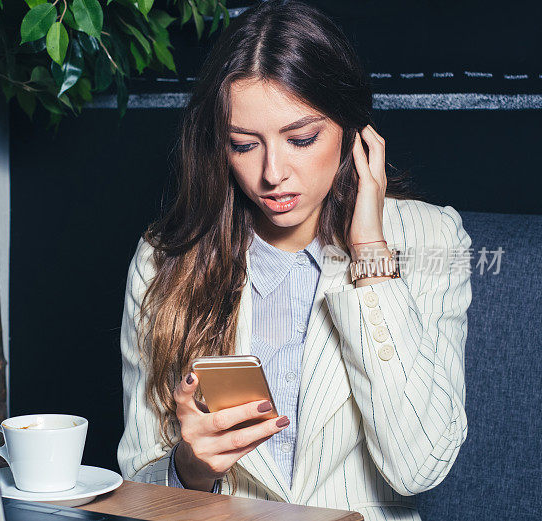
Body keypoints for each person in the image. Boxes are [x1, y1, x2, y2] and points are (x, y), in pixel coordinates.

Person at [116, 1, 472, 520]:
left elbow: (420, 466)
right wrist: (190, 469)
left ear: (352, 132)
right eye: (243, 145)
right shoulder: (165, 259)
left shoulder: (432, 237)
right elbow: (137, 480)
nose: (272, 173)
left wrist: (370, 258)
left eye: (302, 138)